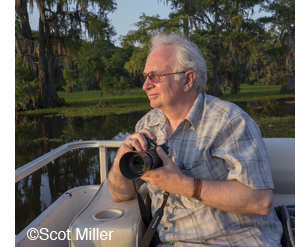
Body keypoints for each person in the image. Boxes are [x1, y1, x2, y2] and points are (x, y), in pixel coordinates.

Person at [107, 33, 283, 246]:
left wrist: (184, 185)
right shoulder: (146, 125)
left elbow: (261, 201)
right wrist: (124, 154)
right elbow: (120, 195)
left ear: (188, 79)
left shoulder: (229, 121)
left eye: (155, 76)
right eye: (145, 76)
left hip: (236, 240)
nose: (145, 85)